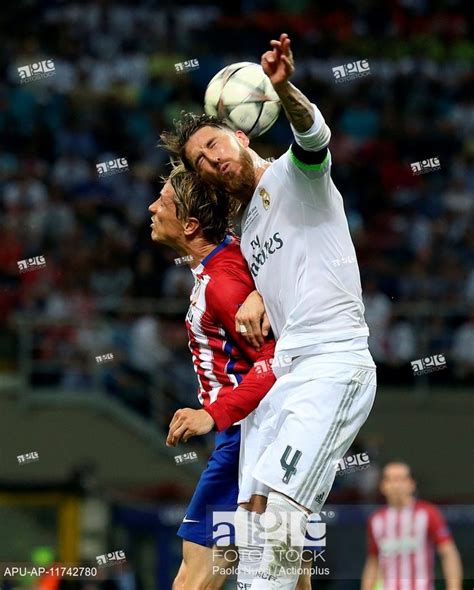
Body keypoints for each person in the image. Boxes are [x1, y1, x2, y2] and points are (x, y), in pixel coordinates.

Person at [161, 33, 377, 589]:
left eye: (213, 144)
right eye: (199, 161)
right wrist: (257, 288)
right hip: (282, 382)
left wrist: (286, 91)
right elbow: (259, 266)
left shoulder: (296, 176)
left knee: (280, 517)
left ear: (240, 132)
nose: (210, 159)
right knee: (258, 541)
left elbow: (313, 136)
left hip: (331, 362)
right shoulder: (246, 227)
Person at [149, 164, 311, 590]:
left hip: (247, 437)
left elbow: (276, 358)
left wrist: (213, 415)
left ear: (189, 224)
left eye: (162, 202)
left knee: (195, 574)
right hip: (263, 432)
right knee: (289, 569)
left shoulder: (222, 282)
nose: (151, 208)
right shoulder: (228, 262)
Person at [361, 462, 462, 590]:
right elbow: (373, 561)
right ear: (382, 486)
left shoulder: (428, 513)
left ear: (411, 484)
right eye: (390, 480)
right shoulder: (376, 520)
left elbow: (448, 553)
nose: (396, 485)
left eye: (401, 479)